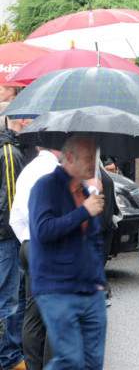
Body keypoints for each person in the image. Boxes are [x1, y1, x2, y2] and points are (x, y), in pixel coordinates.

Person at [28, 136, 107, 369]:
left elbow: (94, 241)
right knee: (69, 360)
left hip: (91, 290)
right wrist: (83, 212)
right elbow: (43, 231)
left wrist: (100, 281)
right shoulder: (45, 186)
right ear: (70, 157)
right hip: (57, 288)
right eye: (89, 157)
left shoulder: (85, 191)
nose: (94, 163)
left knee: (93, 363)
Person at [10, 147, 61, 370]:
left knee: (34, 314)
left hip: (29, 245)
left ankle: (33, 366)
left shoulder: (28, 170)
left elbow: (15, 217)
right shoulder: (56, 172)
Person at [0, 115, 30, 370]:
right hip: (7, 238)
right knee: (10, 299)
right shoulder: (9, 151)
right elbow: (11, 203)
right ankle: (10, 357)